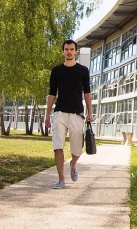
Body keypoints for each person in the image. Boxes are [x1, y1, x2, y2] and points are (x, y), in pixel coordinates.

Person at [45, 39, 93, 189]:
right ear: (63, 52)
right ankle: (61, 179)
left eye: (72, 49)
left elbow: (87, 93)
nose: (69, 52)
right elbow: (52, 94)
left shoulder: (83, 70)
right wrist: (47, 114)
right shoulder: (56, 71)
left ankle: (73, 164)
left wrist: (90, 113)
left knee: (77, 149)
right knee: (58, 146)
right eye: (66, 49)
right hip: (59, 113)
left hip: (76, 114)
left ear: (76, 52)